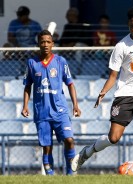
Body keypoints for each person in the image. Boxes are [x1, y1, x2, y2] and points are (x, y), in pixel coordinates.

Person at [71, 6, 133, 175]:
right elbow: (113, 75)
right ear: (128, 25)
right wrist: (103, 92)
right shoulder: (121, 46)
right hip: (125, 95)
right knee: (114, 138)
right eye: (132, 26)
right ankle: (87, 152)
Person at [21, 30, 81, 175]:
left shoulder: (61, 62)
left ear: (53, 44)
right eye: (42, 42)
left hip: (60, 111)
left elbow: (70, 84)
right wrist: (25, 105)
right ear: (38, 44)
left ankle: (70, 173)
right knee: (47, 147)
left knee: (69, 140)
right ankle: (50, 175)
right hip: (42, 112)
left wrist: (76, 105)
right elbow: (27, 86)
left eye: (48, 42)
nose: (45, 44)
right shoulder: (31, 63)